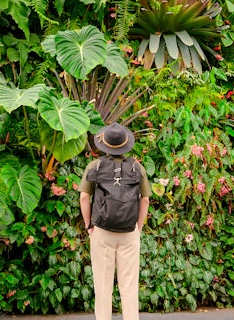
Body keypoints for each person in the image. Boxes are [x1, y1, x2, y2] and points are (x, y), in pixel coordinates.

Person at [79, 123, 151, 320]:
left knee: (103, 285)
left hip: (102, 232)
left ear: (105, 145)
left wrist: (89, 226)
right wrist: (138, 228)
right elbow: (145, 200)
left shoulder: (95, 166)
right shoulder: (137, 168)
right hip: (129, 233)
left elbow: (84, 197)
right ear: (125, 144)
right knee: (129, 285)